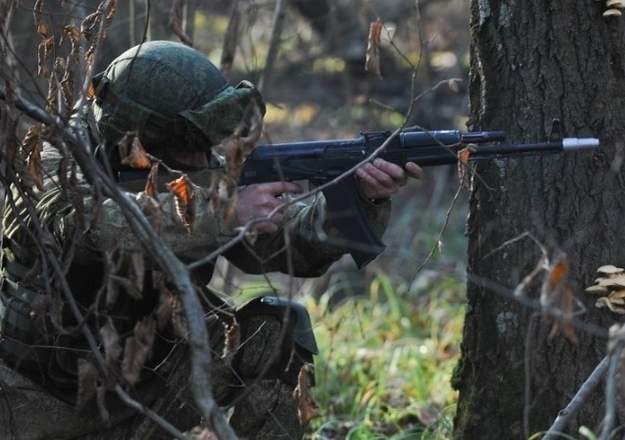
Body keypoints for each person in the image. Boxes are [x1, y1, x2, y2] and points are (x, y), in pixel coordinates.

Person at [0, 40, 422, 439]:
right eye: (191, 146)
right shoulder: (50, 158)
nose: (205, 161)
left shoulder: (184, 168)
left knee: (278, 332)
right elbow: (81, 224)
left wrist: (358, 198)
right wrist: (221, 213)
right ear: (141, 139)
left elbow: (280, 243)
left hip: (143, 393)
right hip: (35, 412)